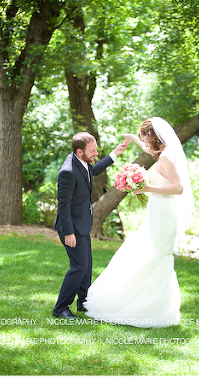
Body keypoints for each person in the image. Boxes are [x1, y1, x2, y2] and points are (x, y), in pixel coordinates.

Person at [83, 117, 194, 328]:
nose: (145, 144)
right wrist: (133, 138)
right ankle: (140, 301)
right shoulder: (164, 152)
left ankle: (151, 307)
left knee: (157, 256)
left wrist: (147, 188)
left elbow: (178, 187)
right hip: (156, 211)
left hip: (163, 215)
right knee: (146, 253)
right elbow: (147, 149)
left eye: (144, 138)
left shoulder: (167, 157)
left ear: (152, 135)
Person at [53, 132, 130, 319]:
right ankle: (61, 308)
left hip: (82, 224)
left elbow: (93, 170)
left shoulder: (82, 161)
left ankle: (84, 303)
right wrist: (69, 233)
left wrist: (115, 153)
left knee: (86, 266)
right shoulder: (68, 172)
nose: (96, 153)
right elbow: (63, 206)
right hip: (70, 227)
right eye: (92, 150)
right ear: (80, 151)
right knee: (79, 267)